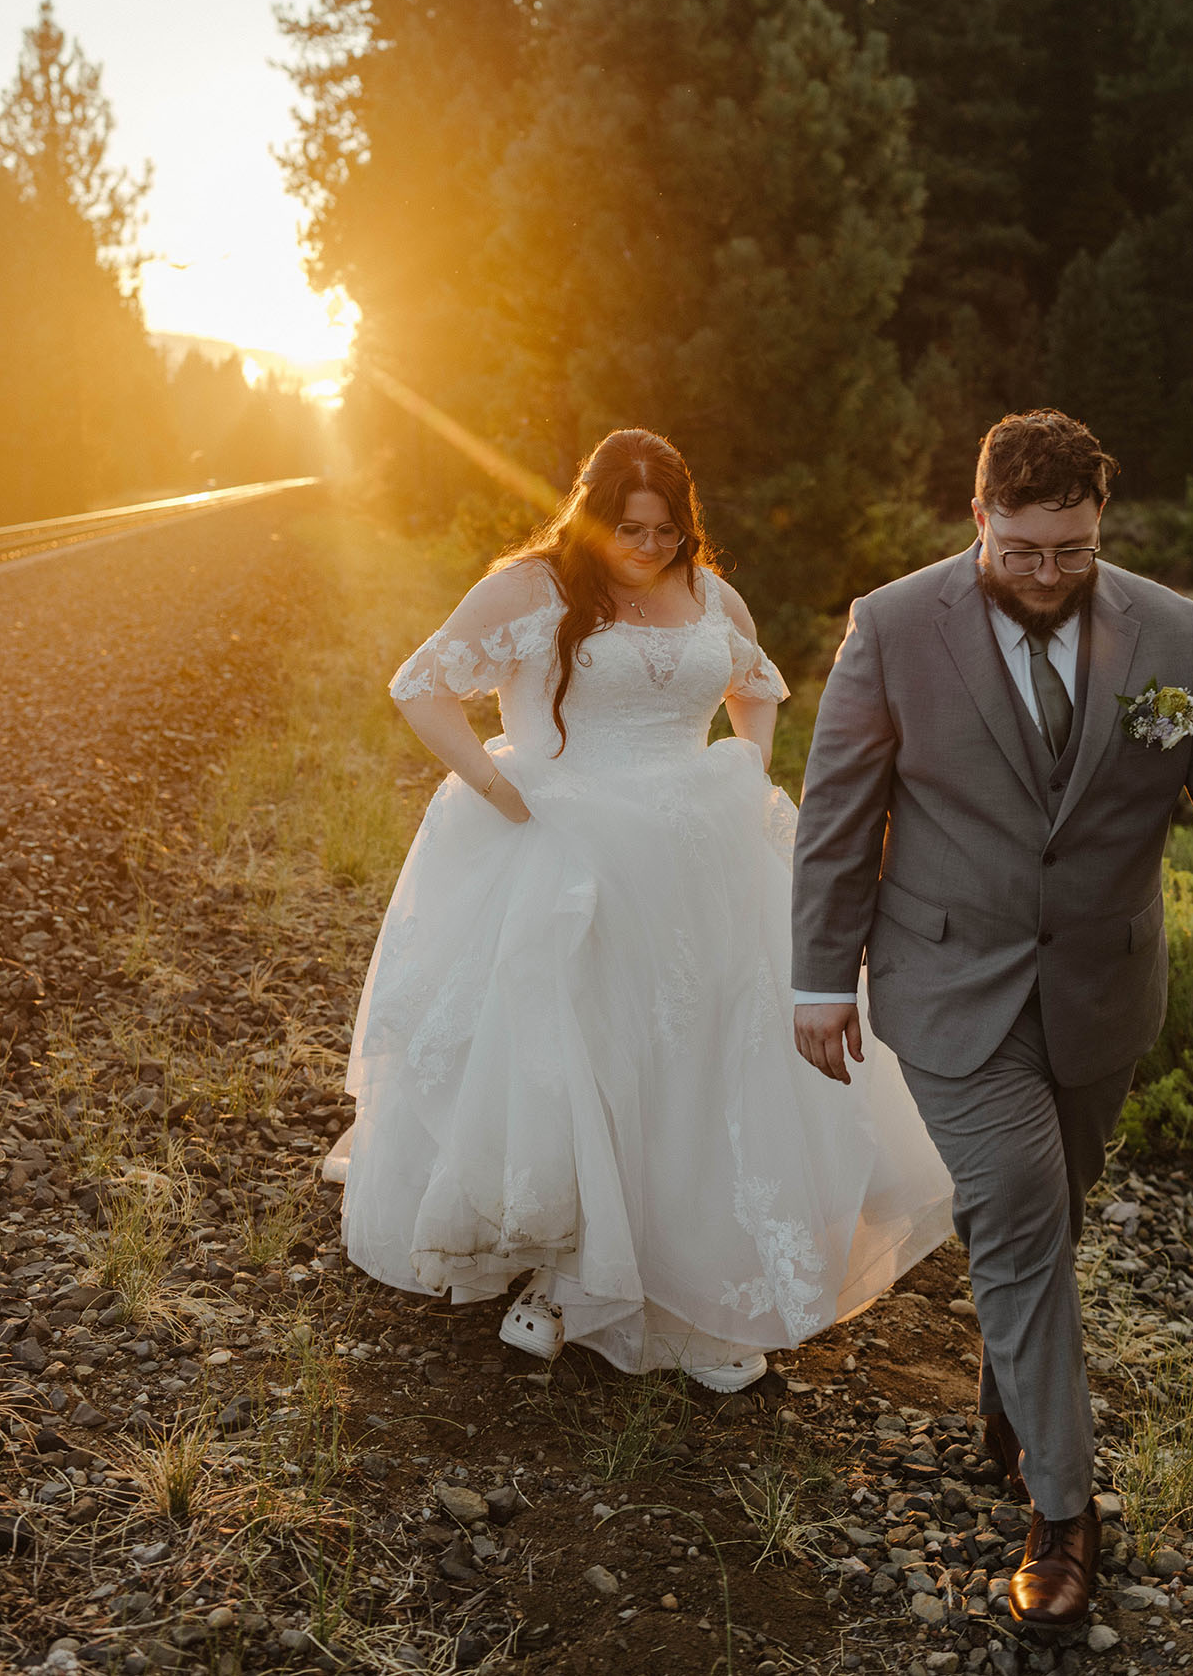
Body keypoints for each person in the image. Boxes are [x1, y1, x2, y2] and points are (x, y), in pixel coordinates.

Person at [791, 408, 1193, 1634]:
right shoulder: (890, 627)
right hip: (944, 984)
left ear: (1100, 525)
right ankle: (1063, 1508)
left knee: (1056, 1208)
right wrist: (819, 975)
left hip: (1102, 991)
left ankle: (1016, 1393)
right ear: (979, 515)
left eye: (1073, 552)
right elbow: (838, 809)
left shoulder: (1173, 632)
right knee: (1022, 1207)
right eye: (1025, 549)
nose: (1048, 575)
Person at [325, 427, 952, 1388]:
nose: (648, 546)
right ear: (589, 511)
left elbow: (756, 684)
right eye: (629, 526)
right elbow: (421, 686)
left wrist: (744, 765)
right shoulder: (531, 589)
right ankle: (560, 1269)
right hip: (561, 843)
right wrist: (500, 790)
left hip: (694, 847)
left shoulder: (708, 592)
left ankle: (690, 1277)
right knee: (574, 1048)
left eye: (666, 529)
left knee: (702, 1051)